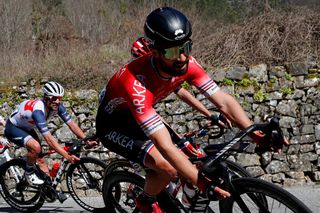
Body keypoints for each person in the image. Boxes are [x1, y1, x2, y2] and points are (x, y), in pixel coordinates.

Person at [96, 7, 289, 212]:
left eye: (186, 47)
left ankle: (187, 201)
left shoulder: (187, 63)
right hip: (114, 126)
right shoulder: (135, 83)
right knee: (167, 168)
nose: (181, 58)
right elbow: (165, 147)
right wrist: (201, 182)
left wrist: (256, 133)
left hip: (142, 117)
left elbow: (223, 101)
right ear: (154, 51)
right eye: (171, 51)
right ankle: (145, 200)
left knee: (192, 155)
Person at [4, 81, 94, 186]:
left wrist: (86, 139)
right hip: (13, 128)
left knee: (40, 158)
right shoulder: (38, 111)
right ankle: (29, 173)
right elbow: (49, 139)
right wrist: (67, 156)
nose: (57, 101)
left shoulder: (57, 106)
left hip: (26, 128)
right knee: (36, 148)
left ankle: (47, 188)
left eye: (60, 98)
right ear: (46, 98)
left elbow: (72, 125)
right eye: (54, 98)